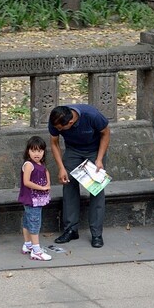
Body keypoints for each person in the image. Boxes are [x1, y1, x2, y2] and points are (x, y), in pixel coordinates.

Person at [48, 104, 110, 248]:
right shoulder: (55, 120)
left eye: (60, 129)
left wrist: (99, 159)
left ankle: (96, 233)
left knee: (97, 189)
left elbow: (106, 134)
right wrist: (61, 168)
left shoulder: (91, 115)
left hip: (94, 151)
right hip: (73, 151)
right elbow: (54, 143)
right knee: (68, 185)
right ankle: (71, 229)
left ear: (70, 122)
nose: (58, 130)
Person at [19, 136, 53, 261]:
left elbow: (46, 172)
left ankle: (28, 245)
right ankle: (36, 250)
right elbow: (26, 182)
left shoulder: (40, 164)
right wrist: (42, 188)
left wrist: (47, 184)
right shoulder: (28, 165)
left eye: (40, 151)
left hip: (37, 199)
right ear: (28, 151)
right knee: (34, 223)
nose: (37, 154)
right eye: (33, 150)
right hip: (31, 199)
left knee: (28, 221)